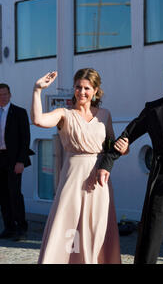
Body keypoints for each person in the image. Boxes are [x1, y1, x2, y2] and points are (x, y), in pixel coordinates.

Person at [96, 59, 163, 264]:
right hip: (161, 181)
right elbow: (127, 135)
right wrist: (107, 163)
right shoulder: (153, 108)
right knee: (150, 236)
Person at [32, 69, 121, 264]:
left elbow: (111, 147)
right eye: (78, 87)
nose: (82, 92)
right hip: (72, 178)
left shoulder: (105, 115)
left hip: (99, 179)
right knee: (68, 224)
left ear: (96, 90)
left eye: (87, 88)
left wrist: (125, 147)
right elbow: (38, 120)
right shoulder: (64, 114)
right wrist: (37, 90)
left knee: (97, 226)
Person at [0, 83, 33, 241]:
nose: (2, 97)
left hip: (13, 159)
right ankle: (9, 227)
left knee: (14, 193)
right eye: (0, 95)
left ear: (10, 95)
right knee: (2, 195)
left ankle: (21, 227)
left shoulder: (19, 113)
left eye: (5, 94)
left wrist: (21, 161)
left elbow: (25, 139)